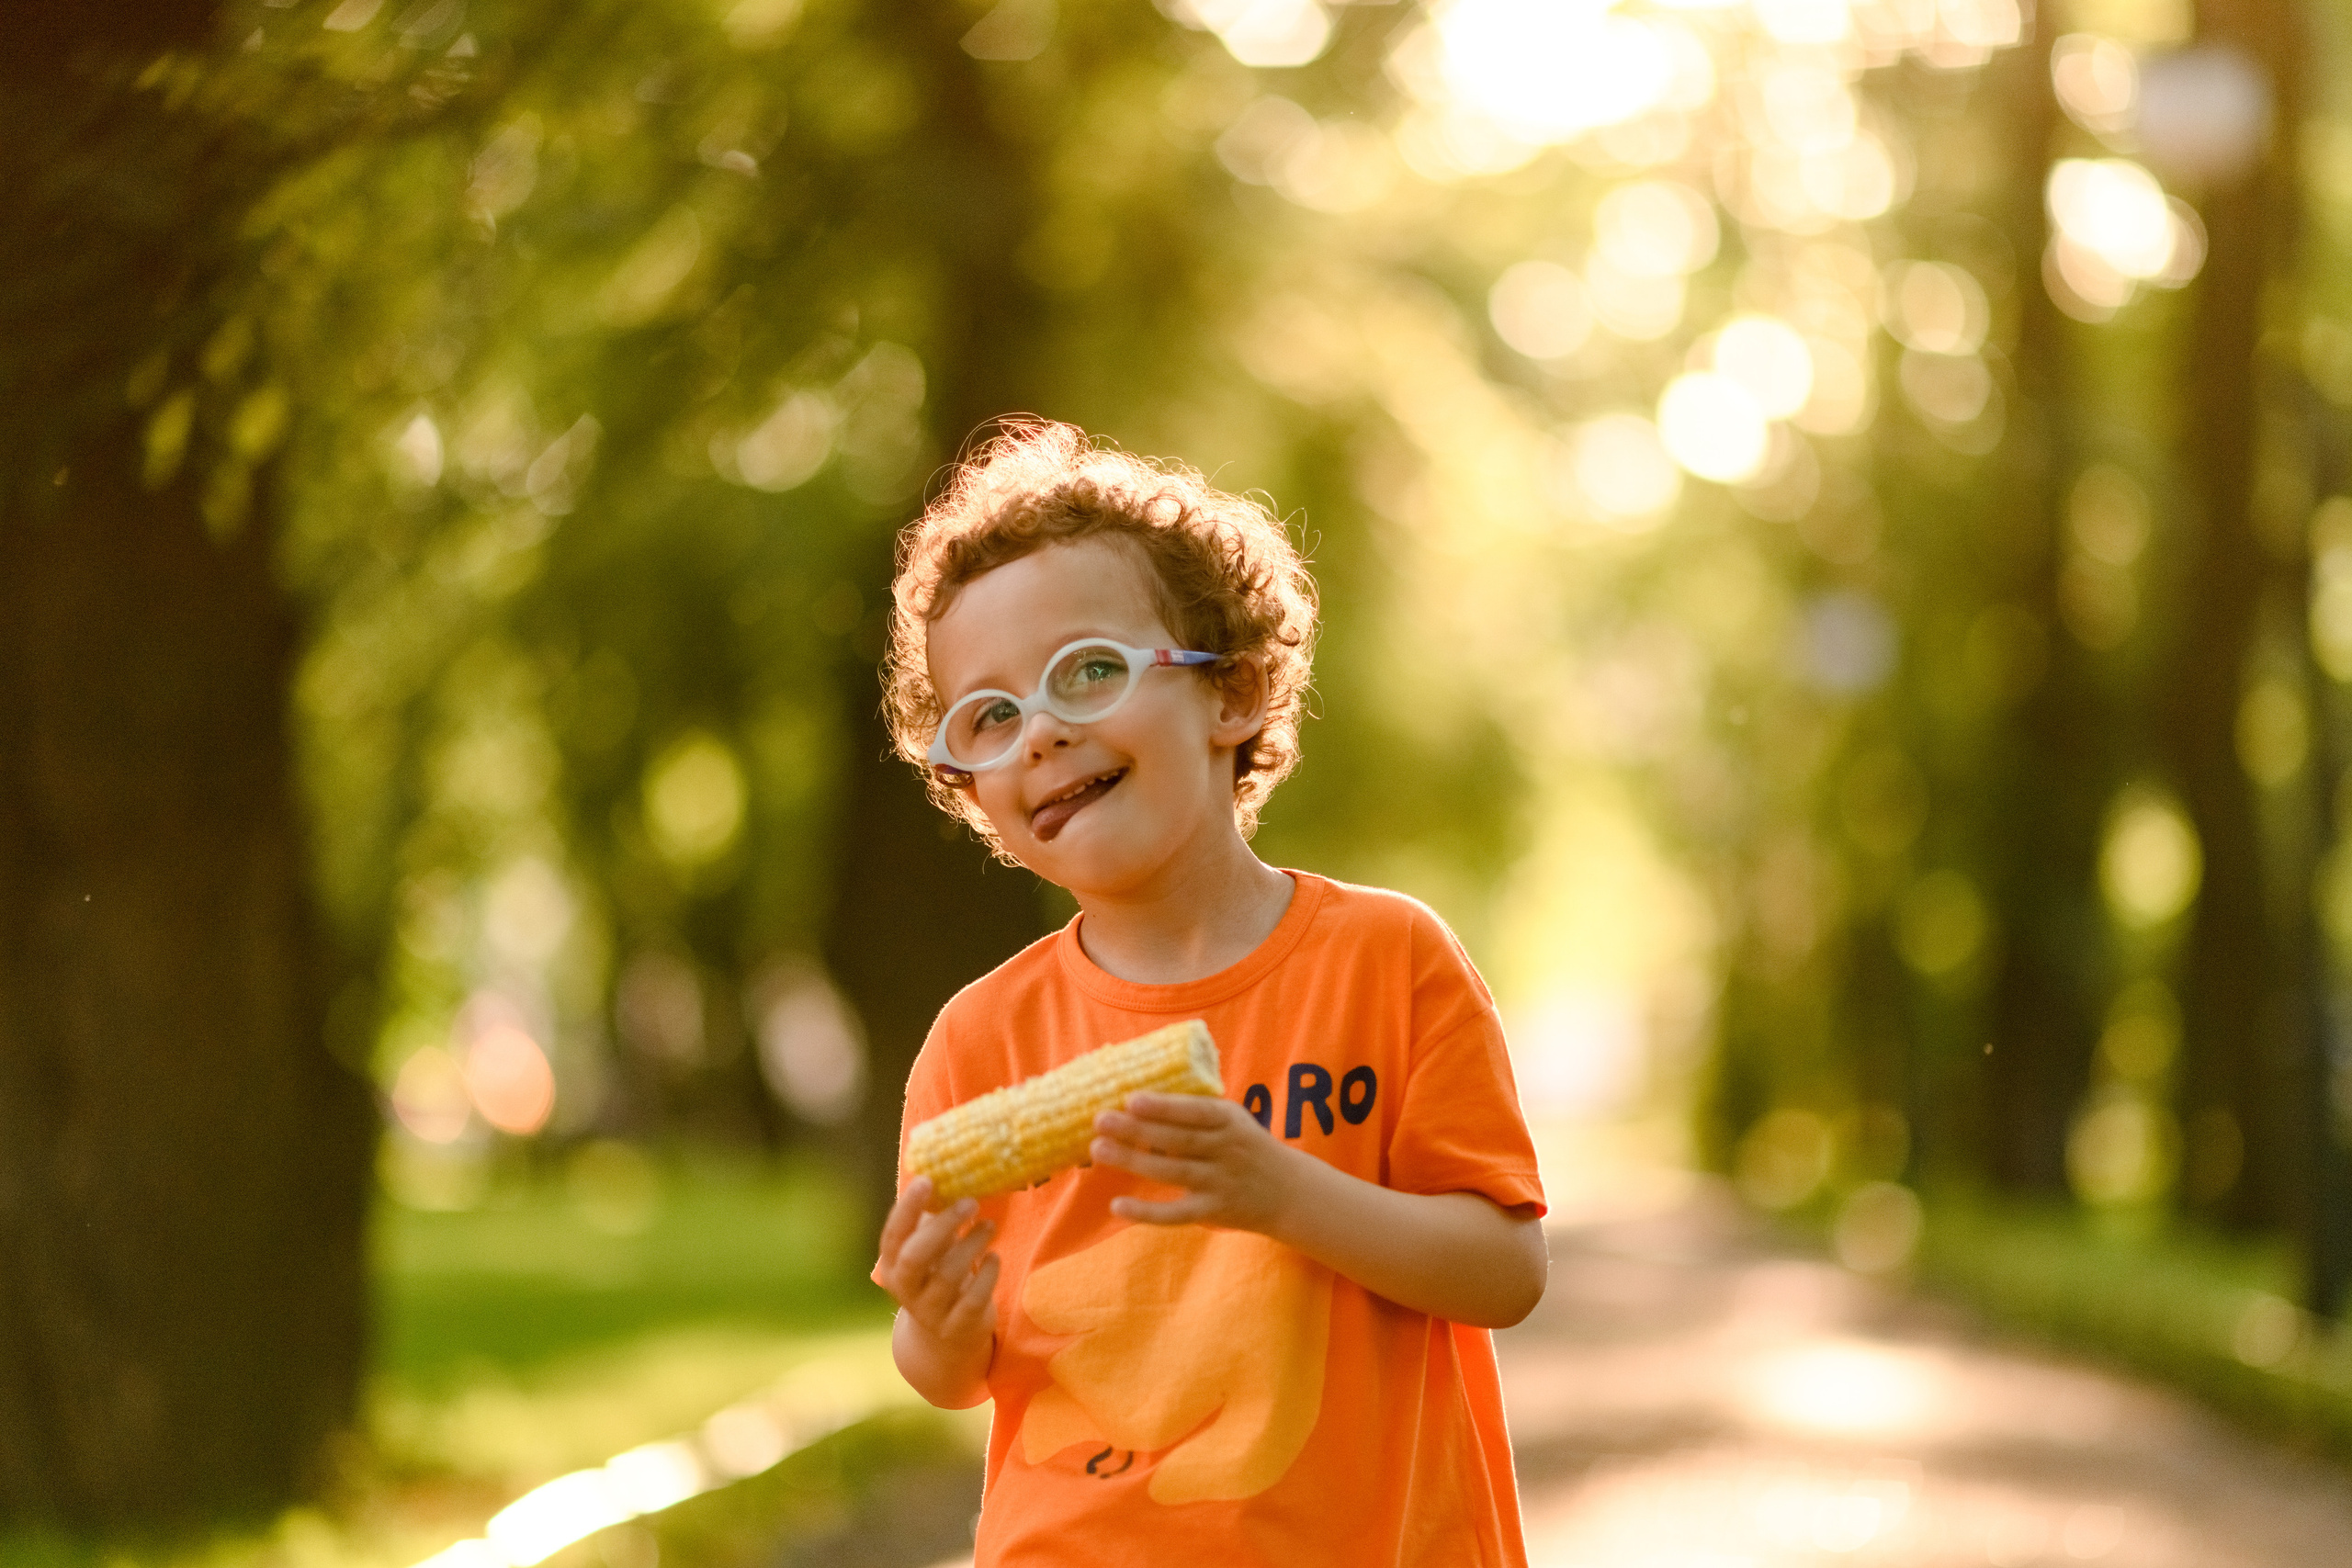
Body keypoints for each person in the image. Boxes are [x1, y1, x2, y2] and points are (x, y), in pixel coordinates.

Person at [868, 420, 1548, 1566]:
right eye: (988, 716)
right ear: (970, 788)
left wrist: (1281, 1191)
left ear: (1229, 692)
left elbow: (1503, 1272)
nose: (1041, 731)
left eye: (1087, 670)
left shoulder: (1387, 961)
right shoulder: (980, 1040)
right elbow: (953, 1372)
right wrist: (931, 1327)